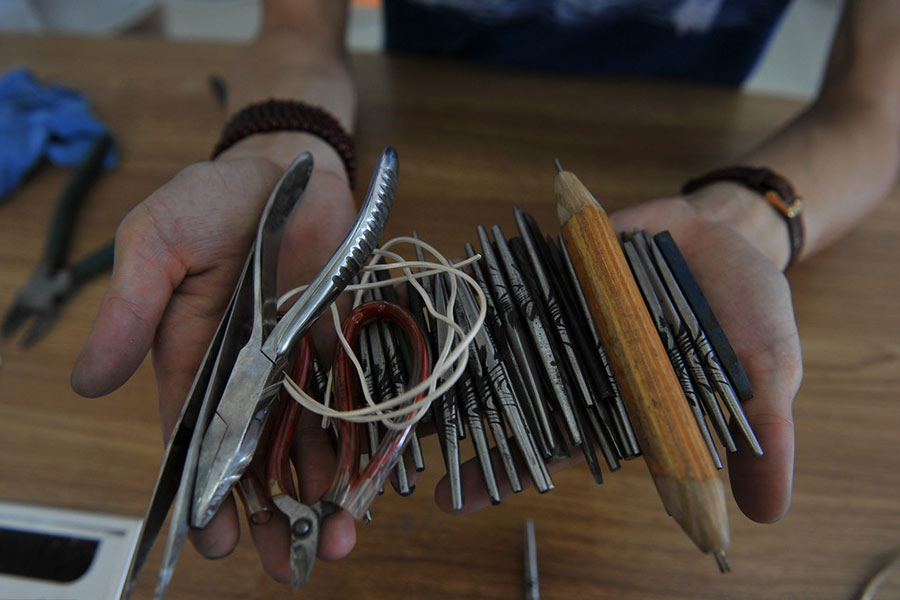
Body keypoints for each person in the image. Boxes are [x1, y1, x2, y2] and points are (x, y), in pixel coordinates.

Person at [69, 0, 900, 584]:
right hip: (433, 107)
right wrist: (289, 144)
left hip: (699, 132)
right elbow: (296, 27)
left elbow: (877, 105)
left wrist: (747, 218)